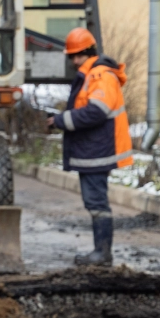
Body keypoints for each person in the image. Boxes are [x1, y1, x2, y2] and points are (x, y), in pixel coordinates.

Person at [49, 27, 132, 266]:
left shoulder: (100, 76)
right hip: (93, 151)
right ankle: (101, 252)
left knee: (96, 202)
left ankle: (102, 253)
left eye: (78, 56)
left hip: (98, 151)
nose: (74, 61)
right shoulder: (92, 74)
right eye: (71, 56)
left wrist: (60, 121)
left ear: (89, 52)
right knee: (94, 202)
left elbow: (96, 111)